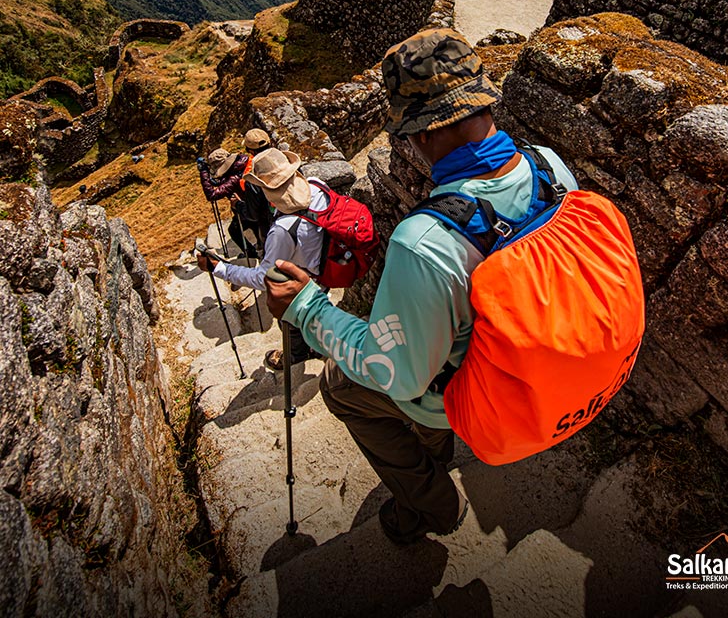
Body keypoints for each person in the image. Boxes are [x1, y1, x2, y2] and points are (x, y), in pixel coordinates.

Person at [263, 28, 578, 545]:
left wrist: (306, 307)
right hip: (523, 357)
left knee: (340, 388)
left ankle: (432, 505)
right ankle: (438, 449)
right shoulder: (550, 166)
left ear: (422, 134)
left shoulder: (425, 242)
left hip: (454, 386)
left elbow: (399, 374)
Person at [197, 148, 330, 370]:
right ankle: (318, 344)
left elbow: (263, 278)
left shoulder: (282, 230)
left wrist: (219, 267)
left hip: (301, 281)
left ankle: (296, 356)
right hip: (328, 268)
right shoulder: (317, 186)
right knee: (317, 311)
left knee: (290, 321)